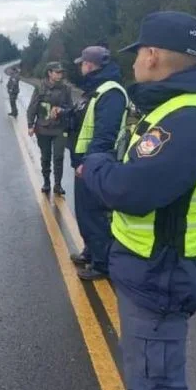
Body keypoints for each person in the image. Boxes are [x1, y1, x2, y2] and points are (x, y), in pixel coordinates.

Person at [78, 11, 196, 390]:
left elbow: (132, 190)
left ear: (152, 55)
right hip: (154, 271)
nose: (132, 63)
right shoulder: (180, 108)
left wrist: (93, 166)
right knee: (150, 382)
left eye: (137, 53)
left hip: (161, 275)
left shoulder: (191, 120)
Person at [63, 46, 128, 281]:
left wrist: (89, 164)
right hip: (85, 163)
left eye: (82, 63)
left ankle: (102, 264)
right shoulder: (94, 90)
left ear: (90, 65)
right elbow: (82, 120)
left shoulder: (111, 93)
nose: (80, 67)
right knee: (85, 212)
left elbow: (105, 134)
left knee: (94, 214)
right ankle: (91, 251)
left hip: (97, 165)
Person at [26, 61, 73, 195]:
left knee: (59, 157)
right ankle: (46, 182)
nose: (60, 75)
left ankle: (58, 184)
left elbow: (70, 108)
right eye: (57, 72)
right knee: (45, 157)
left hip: (59, 128)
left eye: (61, 72)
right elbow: (32, 107)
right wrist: (30, 125)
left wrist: (61, 110)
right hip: (43, 128)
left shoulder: (66, 89)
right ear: (50, 73)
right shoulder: (40, 88)